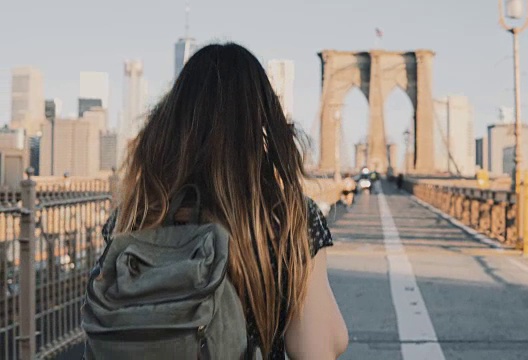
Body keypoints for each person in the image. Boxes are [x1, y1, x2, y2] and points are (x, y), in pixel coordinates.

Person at [86, 43, 348, 359]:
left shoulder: (133, 216)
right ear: (261, 123)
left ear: (173, 123)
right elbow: (315, 351)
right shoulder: (287, 219)